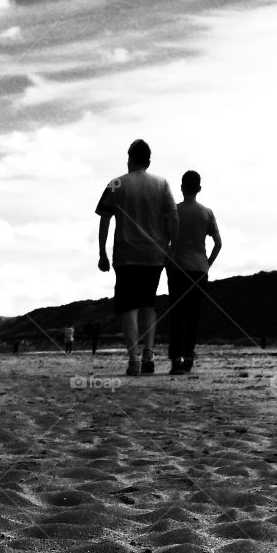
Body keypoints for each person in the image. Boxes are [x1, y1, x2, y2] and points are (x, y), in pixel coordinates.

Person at [96, 139, 177, 376]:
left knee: (129, 309)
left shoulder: (116, 183)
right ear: (149, 161)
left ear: (129, 158)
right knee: (148, 305)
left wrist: (102, 253)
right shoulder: (162, 184)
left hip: (126, 255)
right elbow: (173, 218)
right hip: (154, 255)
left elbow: (104, 219)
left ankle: (134, 361)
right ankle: (149, 354)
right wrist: (170, 246)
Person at [166, 170, 221, 375]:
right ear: (199, 188)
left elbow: (164, 242)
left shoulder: (173, 212)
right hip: (199, 269)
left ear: (181, 188)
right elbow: (218, 244)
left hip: (177, 267)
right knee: (193, 315)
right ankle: (188, 357)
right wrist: (208, 264)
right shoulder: (207, 213)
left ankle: (176, 359)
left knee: (177, 314)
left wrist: (167, 260)